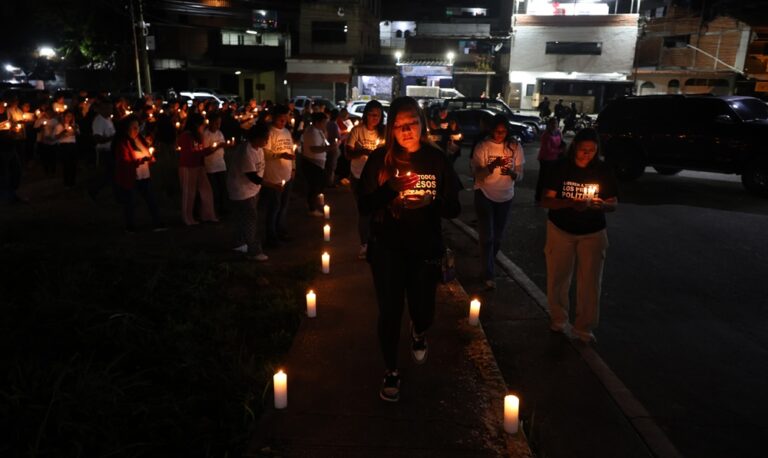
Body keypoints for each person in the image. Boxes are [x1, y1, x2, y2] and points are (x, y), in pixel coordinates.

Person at [358, 96, 461, 402]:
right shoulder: (380, 159)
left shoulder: (436, 159)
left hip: (425, 247)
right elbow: (364, 205)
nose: (406, 130)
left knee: (423, 310)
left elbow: (454, 208)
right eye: (400, 125)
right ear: (391, 128)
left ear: (421, 123)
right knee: (390, 311)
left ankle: (419, 330)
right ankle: (391, 369)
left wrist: (433, 202)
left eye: (412, 122)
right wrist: (390, 190)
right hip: (387, 248)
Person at [539, 128, 618, 344]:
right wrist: (569, 203)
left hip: (593, 232)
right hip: (560, 230)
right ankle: (558, 319)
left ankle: (584, 328)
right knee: (558, 277)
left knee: (590, 282)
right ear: (574, 146)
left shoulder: (603, 169)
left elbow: (613, 203)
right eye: (583, 149)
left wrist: (602, 205)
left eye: (592, 150)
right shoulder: (560, 167)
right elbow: (546, 200)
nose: (587, 154)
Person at [471, 114, 525, 290]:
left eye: (503, 131)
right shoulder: (483, 146)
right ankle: (488, 273)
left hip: (506, 196)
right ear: (492, 130)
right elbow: (477, 175)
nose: (500, 135)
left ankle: (487, 264)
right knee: (487, 236)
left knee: (498, 237)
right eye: (497, 131)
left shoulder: (515, 146)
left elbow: (521, 174)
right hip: (484, 193)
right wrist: (492, 166)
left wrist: (513, 174)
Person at [227, 123, 281, 261]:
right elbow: (253, 177)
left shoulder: (258, 148)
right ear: (256, 138)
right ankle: (253, 251)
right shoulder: (246, 151)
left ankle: (239, 244)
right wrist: (273, 185)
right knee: (250, 219)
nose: (267, 141)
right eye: (265, 138)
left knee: (243, 218)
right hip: (242, 191)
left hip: (251, 190)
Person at [346, 100, 386, 259]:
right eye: (372, 114)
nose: (375, 118)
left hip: (377, 179)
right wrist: (362, 152)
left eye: (378, 115)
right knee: (364, 212)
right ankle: (364, 244)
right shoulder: (357, 131)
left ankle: (375, 241)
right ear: (365, 115)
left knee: (377, 211)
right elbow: (348, 154)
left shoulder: (383, 132)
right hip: (358, 177)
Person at [113, 116, 165, 232]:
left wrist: (150, 158)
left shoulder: (139, 139)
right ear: (126, 129)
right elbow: (124, 161)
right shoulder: (123, 143)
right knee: (130, 203)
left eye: (138, 127)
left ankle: (158, 223)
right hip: (131, 176)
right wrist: (141, 160)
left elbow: (146, 153)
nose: (137, 130)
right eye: (134, 128)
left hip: (144, 175)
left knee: (151, 199)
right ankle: (130, 227)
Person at [261, 105, 296, 246]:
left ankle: (281, 230)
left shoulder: (287, 132)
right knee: (274, 207)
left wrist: (293, 168)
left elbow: (291, 150)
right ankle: (271, 236)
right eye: (281, 119)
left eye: (285, 119)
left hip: (287, 175)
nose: (283, 121)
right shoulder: (269, 132)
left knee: (284, 206)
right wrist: (280, 155)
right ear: (274, 117)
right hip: (273, 177)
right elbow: (264, 153)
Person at [177, 113, 218, 226]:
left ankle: (208, 215)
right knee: (188, 193)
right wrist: (206, 151)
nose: (204, 127)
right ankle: (187, 218)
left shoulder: (199, 136)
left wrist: (209, 150)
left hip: (199, 166)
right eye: (202, 125)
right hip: (188, 167)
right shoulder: (186, 136)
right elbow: (190, 153)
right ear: (196, 124)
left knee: (206, 190)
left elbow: (199, 151)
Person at [301, 111, 336, 216]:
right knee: (314, 186)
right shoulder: (312, 132)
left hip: (318, 163)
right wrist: (330, 147)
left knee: (319, 185)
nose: (326, 124)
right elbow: (314, 149)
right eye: (324, 122)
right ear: (317, 122)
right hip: (312, 163)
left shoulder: (318, 131)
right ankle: (312, 208)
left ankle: (314, 203)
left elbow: (324, 142)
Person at [203, 112, 228, 217]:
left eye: (219, 123)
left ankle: (223, 209)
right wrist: (217, 146)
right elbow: (206, 151)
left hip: (221, 164)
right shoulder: (206, 134)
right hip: (211, 166)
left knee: (223, 188)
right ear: (211, 122)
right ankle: (213, 210)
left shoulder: (219, 133)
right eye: (216, 123)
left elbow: (223, 144)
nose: (218, 125)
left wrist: (226, 145)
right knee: (214, 190)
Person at [535, 117, 563, 202]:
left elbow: (561, 143)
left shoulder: (558, 132)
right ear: (549, 125)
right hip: (545, 159)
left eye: (556, 123)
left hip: (555, 158)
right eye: (552, 123)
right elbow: (548, 149)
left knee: (551, 179)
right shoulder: (546, 135)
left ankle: (548, 195)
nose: (554, 125)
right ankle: (538, 197)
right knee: (543, 178)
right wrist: (559, 151)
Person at [54, 111, 79, 188]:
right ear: (64, 117)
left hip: (73, 145)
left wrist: (75, 130)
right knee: (66, 164)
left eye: (70, 116)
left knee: (73, 163)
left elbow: (78, 134)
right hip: (64, 146)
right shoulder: (59, 126)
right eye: (67, 116)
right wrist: (63, 131)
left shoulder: (74, 125)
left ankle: (72, 181)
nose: (69, 118)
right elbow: (56, 137)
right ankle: (66, 181)